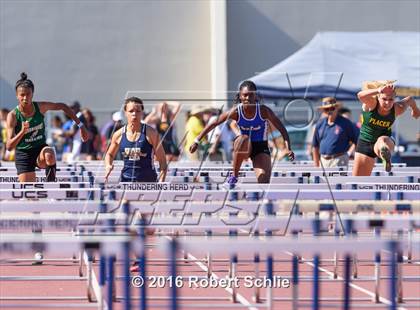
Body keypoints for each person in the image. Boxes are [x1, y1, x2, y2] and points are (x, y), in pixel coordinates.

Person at [189, 80, 294, 185]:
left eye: (251, 95)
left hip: (260, 147)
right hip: (244, 145)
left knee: (263, 180)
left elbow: (282, 129)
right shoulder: (236, 112)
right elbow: (214, 123)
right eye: (245, 95)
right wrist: (196, 141)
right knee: (243, 138)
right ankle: (234, 176)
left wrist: (288, 148)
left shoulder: (264, 111)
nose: (247, 98)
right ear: (240, 96)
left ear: (255, 96)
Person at [5, 72, 89, 182]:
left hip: (40, 149)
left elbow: (63, 106)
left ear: (32, 94)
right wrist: (22, 132)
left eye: (28, 94)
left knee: (49, 154)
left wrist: (81, 126)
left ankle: (51, 185)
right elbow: (9, 146)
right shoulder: (13, 116)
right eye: (22, 95)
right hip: (24, 154)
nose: (25, 98)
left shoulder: (40, 107)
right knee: (28, 193)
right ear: (17, 95)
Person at [353, 81, 420, 175]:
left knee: (382, 140)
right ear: (378, 97)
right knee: (358, 181)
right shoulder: (372, 103)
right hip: (365, 143)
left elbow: (410, 100)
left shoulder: (398, 108)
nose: (387, 103)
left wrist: (415, 110)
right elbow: (360, 95)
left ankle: (384, 154)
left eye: (391, 100)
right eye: (384, 99)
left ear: (395, 99)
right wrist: (378, 90)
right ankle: (384, 154)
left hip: (386, 141)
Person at [104, 97, 167, 183]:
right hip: (126, 181)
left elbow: (163, 161)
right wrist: (108, 165)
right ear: (125, 113)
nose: (134, 114)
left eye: (138, 111)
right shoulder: (118, 134)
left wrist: (161, 183)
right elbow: (110, 154)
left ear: (142, 112)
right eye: (131, 111)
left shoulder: (151, 133)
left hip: (148, 183)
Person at [312, 97, 359, 168]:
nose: (329, 111)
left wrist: (356, 158)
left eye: (332, 108)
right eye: (326, 109)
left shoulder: (346, 123)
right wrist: (316, 165)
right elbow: (315, 146)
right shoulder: (320, 124)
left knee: (339, 179)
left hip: (339, 159)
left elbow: (358, 141)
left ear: (337, 109)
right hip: (323, 160)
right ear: (323, 111)